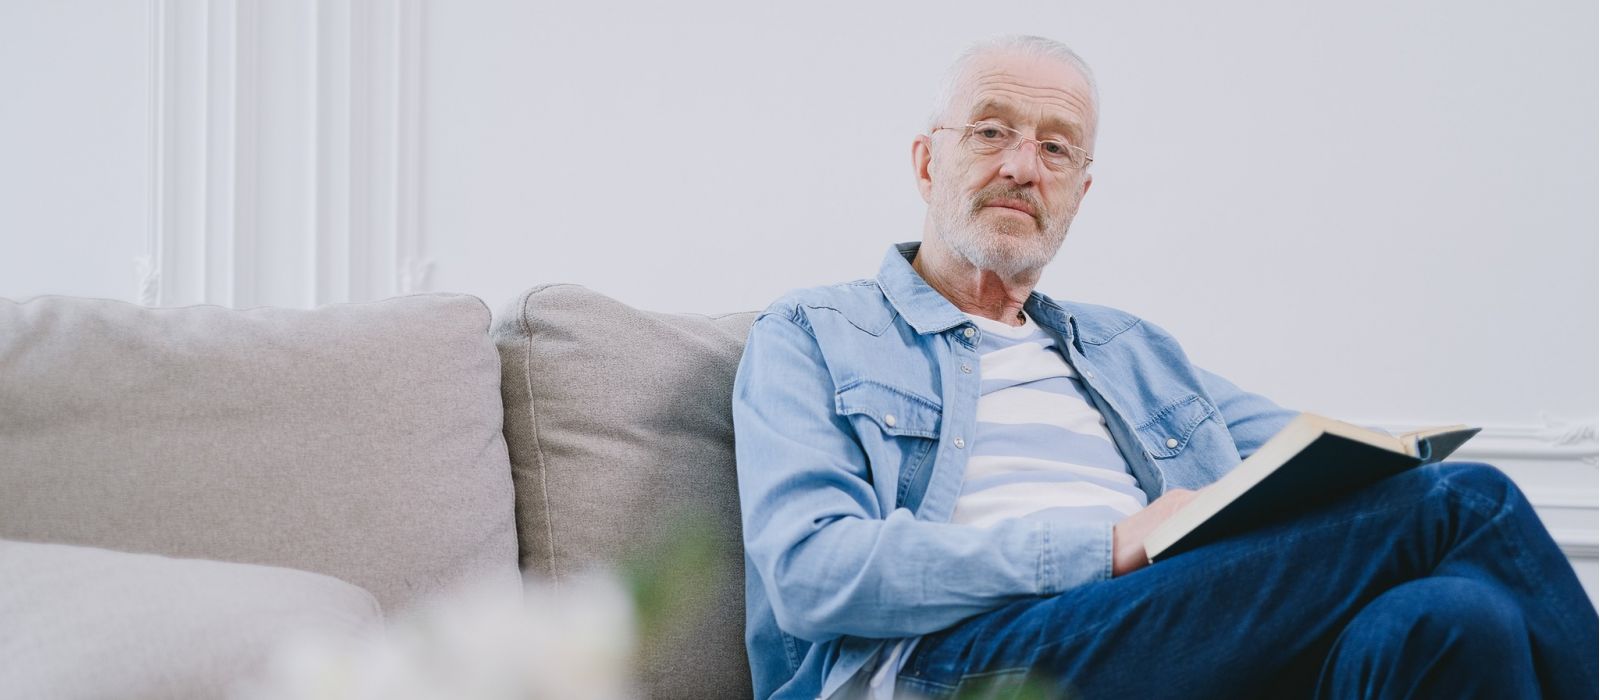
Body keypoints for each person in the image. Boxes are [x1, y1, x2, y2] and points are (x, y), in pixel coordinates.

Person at [731, 34, 1599, 700]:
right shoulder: (813, 332)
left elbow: (1318, 457)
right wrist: (1105, 547)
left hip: (1168, 643)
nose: (1022, 167)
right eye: (992, 130)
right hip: (952, 667)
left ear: (1080, 192)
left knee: (1457, 619)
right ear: (928, 160)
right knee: (1467, 503)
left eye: (1058, 149)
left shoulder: (1132, 351)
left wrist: (1373, 462)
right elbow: (814, 574)